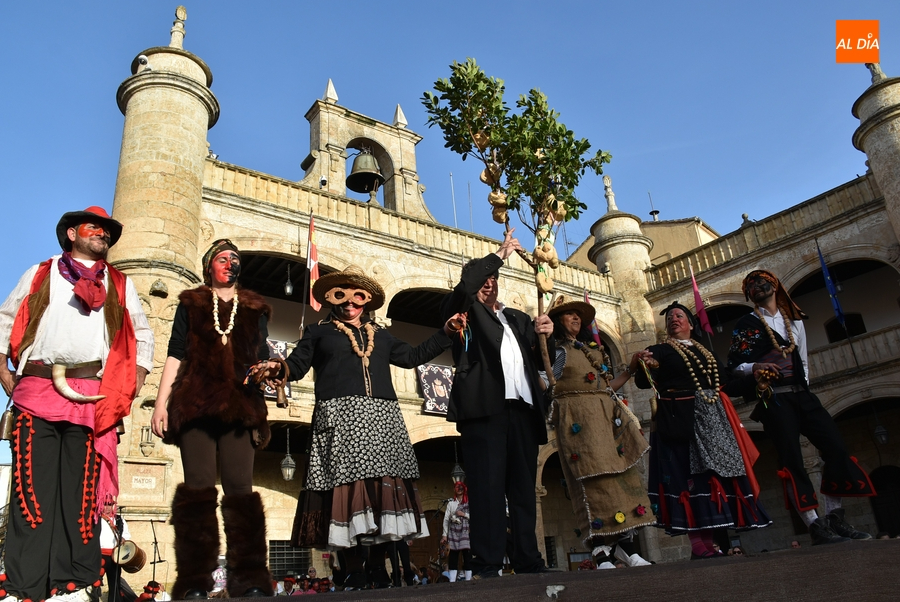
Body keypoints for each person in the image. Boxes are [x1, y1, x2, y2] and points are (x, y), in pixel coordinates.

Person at [252, 267, 459, 589]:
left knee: (379, 493)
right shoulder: (317, 332)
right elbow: (297, 364)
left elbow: (412, 356)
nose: (349, 303)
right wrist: (279, 366)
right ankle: (352, 568)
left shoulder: (382, 334)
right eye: (341, 295)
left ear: (366, 302)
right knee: (344, 492)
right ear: (331, 300)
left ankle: (377, 567)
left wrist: (444, 332)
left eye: (357, 297)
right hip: (340, 416)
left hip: (382, 418)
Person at [0, 206, 153, 602]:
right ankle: (25, 586)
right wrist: (3, 369)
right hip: (37, 385)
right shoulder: (42, 272)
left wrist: (132, 383)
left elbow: (142, 335)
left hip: (92, 393)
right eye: (94, 228)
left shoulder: (120, 284)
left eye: (106, 230)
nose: (102, 234)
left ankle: (74, 583)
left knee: (81, 493)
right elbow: (7, 318)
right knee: (31, 492)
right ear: (72, 233)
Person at [151, 239, 275, 599]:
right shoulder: (192, 303)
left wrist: (268, 370)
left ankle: (250, 579)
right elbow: (176, 354)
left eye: (235, 259)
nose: (230, 263)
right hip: (196, 404)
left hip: (240, 405)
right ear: (210, 266)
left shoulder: (254, 309)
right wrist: (161, 403)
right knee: (198, 491)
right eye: (223, 258)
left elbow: (261, 356)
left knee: (241, 490)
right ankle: (194, 583)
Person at [727, 270, 875, 545]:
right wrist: (755, 367)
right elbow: (734, 367)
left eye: (762, 282)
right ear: (748, 295)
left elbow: (803, 360)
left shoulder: (793, 318)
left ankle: (834, 516)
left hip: (802, 394)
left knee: (836, 448)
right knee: (792, 459)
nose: (758, 287)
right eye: (751, 286)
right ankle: (813, 524)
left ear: (774, 285)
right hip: (775, 398)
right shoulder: (746, 324)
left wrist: (805, 387)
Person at [440, 229, 554, 578]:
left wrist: (545, 332)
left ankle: (528, 559)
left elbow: (536, 359)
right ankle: (487, 563)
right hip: (484, 410)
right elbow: (465, 288)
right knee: (487, 488)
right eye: (482, 278)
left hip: (522, 409)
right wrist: (500, 254)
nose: (488, 283)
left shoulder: (519, 318)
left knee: (522, 489)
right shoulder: (465, 310)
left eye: (494, 278)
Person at [634, 302, 771, 559]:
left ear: (691, 323)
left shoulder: (706, 352)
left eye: (679, 315)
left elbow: (727, 385)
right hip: (679, 418)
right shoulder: (659, 350)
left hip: (712, 419)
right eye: (670, 317)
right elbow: (644, 382)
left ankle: (708, 544)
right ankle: (698, 544)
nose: (674, 319)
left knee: (710, 478)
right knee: (686, 477)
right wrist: (646, 364)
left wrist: (756, 378)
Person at [545, 297, 656, 568]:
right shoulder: (558, 352)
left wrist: (630, 367)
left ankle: (628, 548)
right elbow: (548, 382)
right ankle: (601, 550)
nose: (575, 319)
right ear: (558, 322)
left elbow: (608, 387)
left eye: (578, 316)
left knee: (620, 479)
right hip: (579, 420)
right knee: (593, 480)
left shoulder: (590, 350)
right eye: (569, 315)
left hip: (606, 419)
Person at [441, 481, 472, 582]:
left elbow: (475, 517)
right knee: (453, 556)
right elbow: (446, 519)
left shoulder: (468, 502)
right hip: (453, 532)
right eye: (457, 487)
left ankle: (468, 579)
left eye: (461, 487)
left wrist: (464, 515)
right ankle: (452, 580)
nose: (459, 489)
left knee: (466, 555)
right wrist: (444, 535)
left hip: (465, 532)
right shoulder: (451, 504)